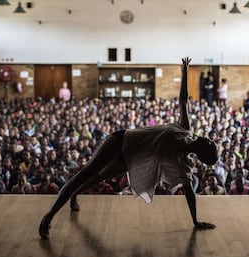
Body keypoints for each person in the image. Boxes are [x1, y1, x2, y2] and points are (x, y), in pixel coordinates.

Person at [39, 57, 218, 239]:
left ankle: (75, 194)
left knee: (100, 176)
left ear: (202, 153)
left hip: (131, 159)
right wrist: (185, 72)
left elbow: (189, 192)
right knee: (86, 173)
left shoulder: (183, 163)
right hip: (122, 140)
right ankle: (49, 216)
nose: (208, 140)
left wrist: (195, 220)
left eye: (209, 145)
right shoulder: (185, 130)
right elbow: (183, 100)